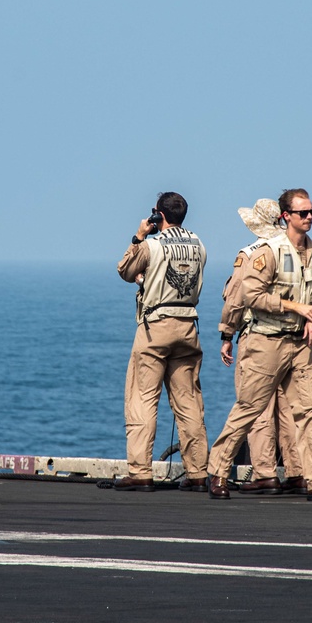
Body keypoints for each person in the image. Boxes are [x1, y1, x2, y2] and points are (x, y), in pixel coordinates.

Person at [207, 188, 312, 502]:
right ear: (287, 216)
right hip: (266, 341)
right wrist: (296, 308)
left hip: (300, 345)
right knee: (249, 408)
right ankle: (217, 471)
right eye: (303, 213)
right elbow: (249, 296)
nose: (309, 217)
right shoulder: (268, 252)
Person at [115, 192, 209, 492]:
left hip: (156, 328)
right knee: (189, 402)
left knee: (143, 399)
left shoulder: (151, 244)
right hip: (188, 327)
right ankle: (198, 473)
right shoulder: (198, 244)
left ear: (159, 215)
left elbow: (125, 271)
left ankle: (140, 472)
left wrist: (138, 236)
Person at [218, 199, 306, 495]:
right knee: (291, 409)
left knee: (257, 406)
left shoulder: (252, 253)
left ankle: (265, 472)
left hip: (258, 338)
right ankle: (297, 471)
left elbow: (236, 297)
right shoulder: (295, 251)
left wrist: (226, 333)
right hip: (294, 337)